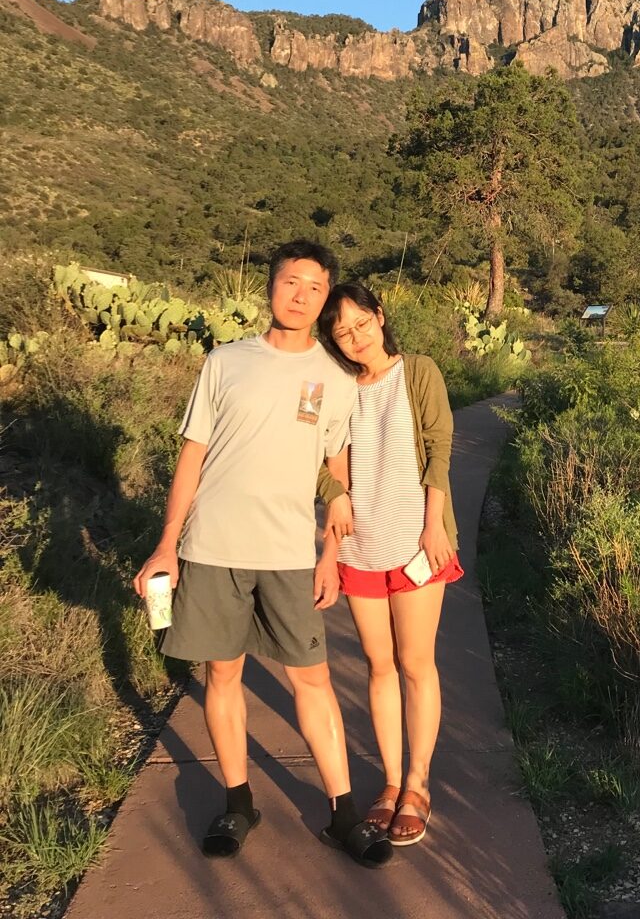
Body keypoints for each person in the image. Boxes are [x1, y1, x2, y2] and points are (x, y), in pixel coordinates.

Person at [133, 239, 391, 867]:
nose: (300, 296)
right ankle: (238, 801)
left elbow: (337, 474)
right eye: (290, 282)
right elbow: (193, 454)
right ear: (270, 286)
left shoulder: (336, 380)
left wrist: (329, 554)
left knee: (312, 678)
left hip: (289, 552)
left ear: (325, 298)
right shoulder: (226, 362)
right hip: (213, 546)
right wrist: (167, 543)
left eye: (314, 287)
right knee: (223, 674)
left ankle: (343, 815)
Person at [316, 280, 461, 847]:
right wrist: (332, 530)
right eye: (342, 333)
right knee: (379, 666)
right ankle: (391, 782)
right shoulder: (336, 389)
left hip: (416, 543)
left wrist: (434, 525)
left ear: (379, 316)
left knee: (415, 662)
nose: (355, 337)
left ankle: (418, 785)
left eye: (361, 323)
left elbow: (440, 446)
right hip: (361, 546)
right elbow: (320, 459)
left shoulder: (418, 371)